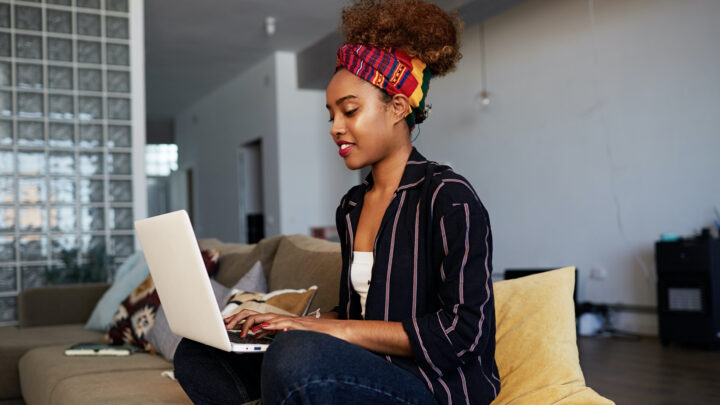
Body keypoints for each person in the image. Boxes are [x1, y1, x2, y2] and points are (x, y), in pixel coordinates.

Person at [174, 1, 500, 404]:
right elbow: (355, 312)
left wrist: (321, 333)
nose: (335, 128)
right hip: (365, 368)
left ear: (397, 107)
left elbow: (461, 333)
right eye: (331, 114)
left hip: (432, 387)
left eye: (349, 110)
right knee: (199, 352)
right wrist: (289, 323)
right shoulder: (351, 207)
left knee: (297, 355)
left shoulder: (449, 197)